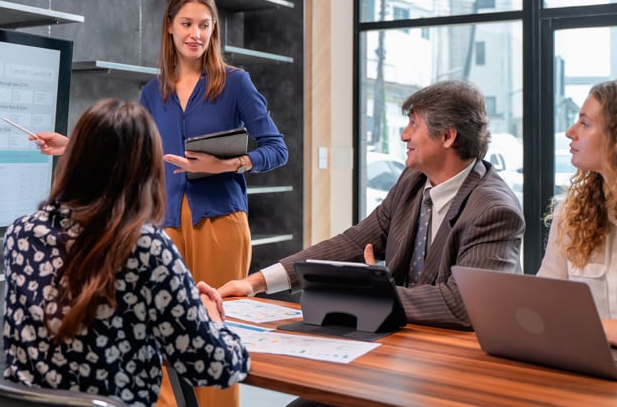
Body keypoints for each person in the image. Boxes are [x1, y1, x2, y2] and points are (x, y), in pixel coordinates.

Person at [220, 79, 525, 330]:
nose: (404, 135)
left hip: (456, 364)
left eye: (413, 125)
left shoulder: (494, 210)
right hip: (400, 346)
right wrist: (256, 282)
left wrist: (370, 293)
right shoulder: (412, 182)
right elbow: (353, 242)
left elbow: (463, 303)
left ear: (447, 136)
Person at [4, 99, 250, 407]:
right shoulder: (146, 246)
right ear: (146, 171)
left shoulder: (20, 234)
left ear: (73, 159)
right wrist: (208, 315)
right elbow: (216, 366)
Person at [139, 0, 288, 407]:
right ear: (170, 28)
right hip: (163, 224)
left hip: (220, 222)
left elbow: (276, 148)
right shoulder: (154, 92)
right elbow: (130, 147)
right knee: (163, 333)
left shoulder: (235, 83)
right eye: (187, 24)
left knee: (214, 333)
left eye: (205, 25)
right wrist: (72, 144)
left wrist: (227, 165)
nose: (196, 34)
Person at [537, 80, 617, 345]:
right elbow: (544, 300)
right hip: (583, 363)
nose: (570, 132)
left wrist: (596, 329)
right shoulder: (571, 211)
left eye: (585, 123)